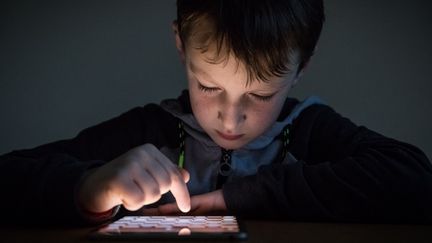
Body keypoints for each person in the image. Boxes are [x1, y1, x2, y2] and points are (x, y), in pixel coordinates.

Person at [1, 0, 431, 226]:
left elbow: (414, 180)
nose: (230, 119)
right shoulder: (150, 130)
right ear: (181, 46)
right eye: (209, 86)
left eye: (261, 96)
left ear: (302, 67)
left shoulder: (308, 131)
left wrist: (245, 196)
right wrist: (85, 190)